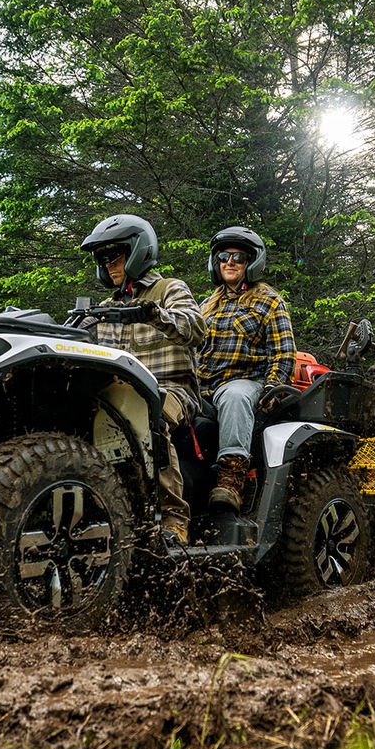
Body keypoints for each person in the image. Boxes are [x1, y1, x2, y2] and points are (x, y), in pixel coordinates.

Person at [81, 214, 206, 544]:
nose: (108, 264)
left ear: (138, 251)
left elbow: (195, 328)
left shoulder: (169, 289)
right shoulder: (104, 308)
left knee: (147, 415)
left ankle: (174, 519)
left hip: (172, 391)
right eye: (102, 258)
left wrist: (156, 315)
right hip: (117, 395)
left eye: (114, 255)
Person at [196, 226, 296, 510]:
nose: (230, 262)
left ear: (251, 262)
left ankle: (230, 480)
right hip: (203, 388)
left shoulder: (269, 301)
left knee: (235, 396)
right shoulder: (206, 305)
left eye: (238, 257)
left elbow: (284, 354)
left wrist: (271, 391)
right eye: (224, 256)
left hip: (246, 383)